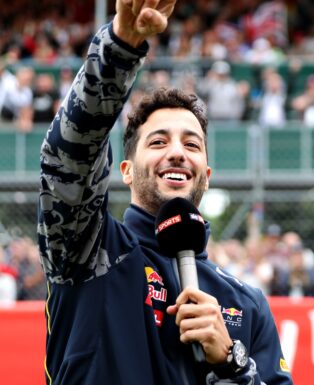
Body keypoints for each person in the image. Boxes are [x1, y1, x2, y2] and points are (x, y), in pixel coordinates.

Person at [37, 1, 293, 384]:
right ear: (125, 171)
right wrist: (119, 49)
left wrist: (230, 362)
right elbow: (68, 158)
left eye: (192, 145)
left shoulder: (247, 302)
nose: (177, 151)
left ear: (205, 173)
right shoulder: (89, 248)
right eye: (158, 142)